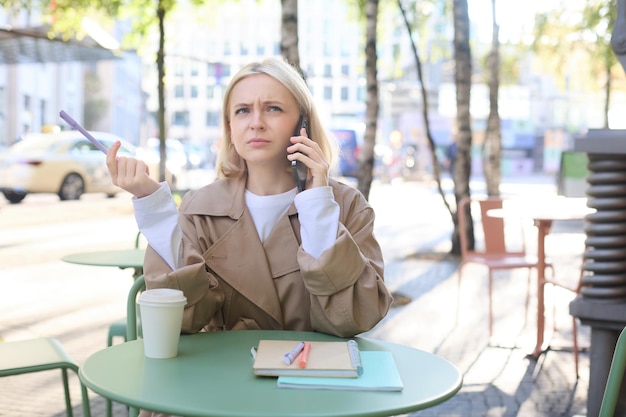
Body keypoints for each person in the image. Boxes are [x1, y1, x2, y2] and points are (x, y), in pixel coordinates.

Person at [107, 57, 392, 416]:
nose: (256, 122)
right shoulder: (199, 206)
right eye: (242, 111)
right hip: (216, 390)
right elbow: (183, 319)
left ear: (302, 124)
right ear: (229, 126)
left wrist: (317, 203)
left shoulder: (346, 205)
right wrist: (156, 209)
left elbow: (355, 317)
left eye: (273, 108)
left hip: (313, 394)